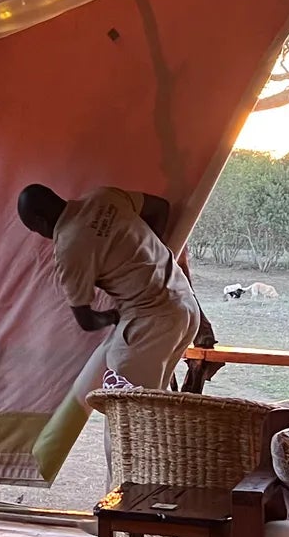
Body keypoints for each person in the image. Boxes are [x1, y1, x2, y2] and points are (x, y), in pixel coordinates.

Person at [18, 183, 207, 482]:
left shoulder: (69, 248)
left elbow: (86, 319)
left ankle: (116, 518)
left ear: (40, 224)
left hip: (146, 324)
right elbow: (160, 207)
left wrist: (111, 315)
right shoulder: (104, 197)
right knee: (152, 418)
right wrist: (150, 258)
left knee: (126, 426)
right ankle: (150, 512)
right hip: (184, 307)